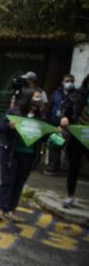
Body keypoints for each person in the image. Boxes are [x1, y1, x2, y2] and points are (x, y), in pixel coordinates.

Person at [0, 89, 46, 222]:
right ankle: (1, 209)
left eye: (40, 98)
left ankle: (11, 210)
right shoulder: (14, 112)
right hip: (11, 152)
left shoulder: (41, 117)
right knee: (7, 181)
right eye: (36, 97)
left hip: (28, 155)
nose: (38, 100)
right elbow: (1, 127)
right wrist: (9, 126)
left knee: (19, 183)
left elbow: (44, 136)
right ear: (28, 98)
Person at [60, 74, 89, 208]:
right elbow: (67, 111)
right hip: (77, 135)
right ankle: (70, 196)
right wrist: (65, 118)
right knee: (73, 166)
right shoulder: (78, 94)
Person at [44, 74, 76, 176]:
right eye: (67, 81)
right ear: (62, 82)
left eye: (71, 81)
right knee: (55, 145)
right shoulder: (56, 94)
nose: (69, 83)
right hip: (54, 124)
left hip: (68, 126)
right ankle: (53, 168)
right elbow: (50, 107)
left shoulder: (75, 95)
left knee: (61, 147)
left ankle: (56, 168)